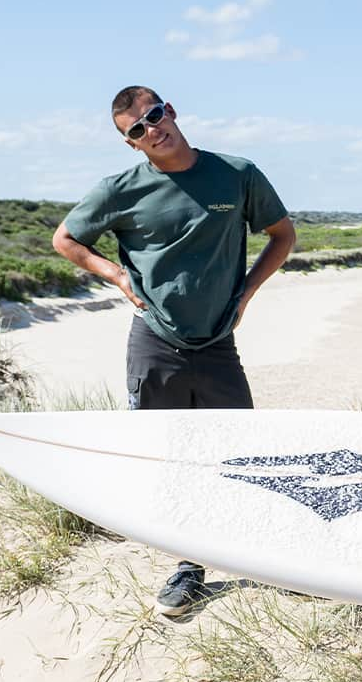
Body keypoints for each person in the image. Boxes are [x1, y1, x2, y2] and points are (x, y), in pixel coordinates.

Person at [53, 87, 296, 615]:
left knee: (242, 452)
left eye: (154, 116)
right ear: (130, 143)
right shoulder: (119, 189)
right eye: (136, 130)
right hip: (155, 341)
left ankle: (265, 557)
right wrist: (114, 273)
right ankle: (188, 567)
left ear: (171, 111)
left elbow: (282, 235)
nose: (151, 130)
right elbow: (66, 240)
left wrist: (247, 292)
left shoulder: (236, 174)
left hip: (217, 343)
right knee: (168, 457)